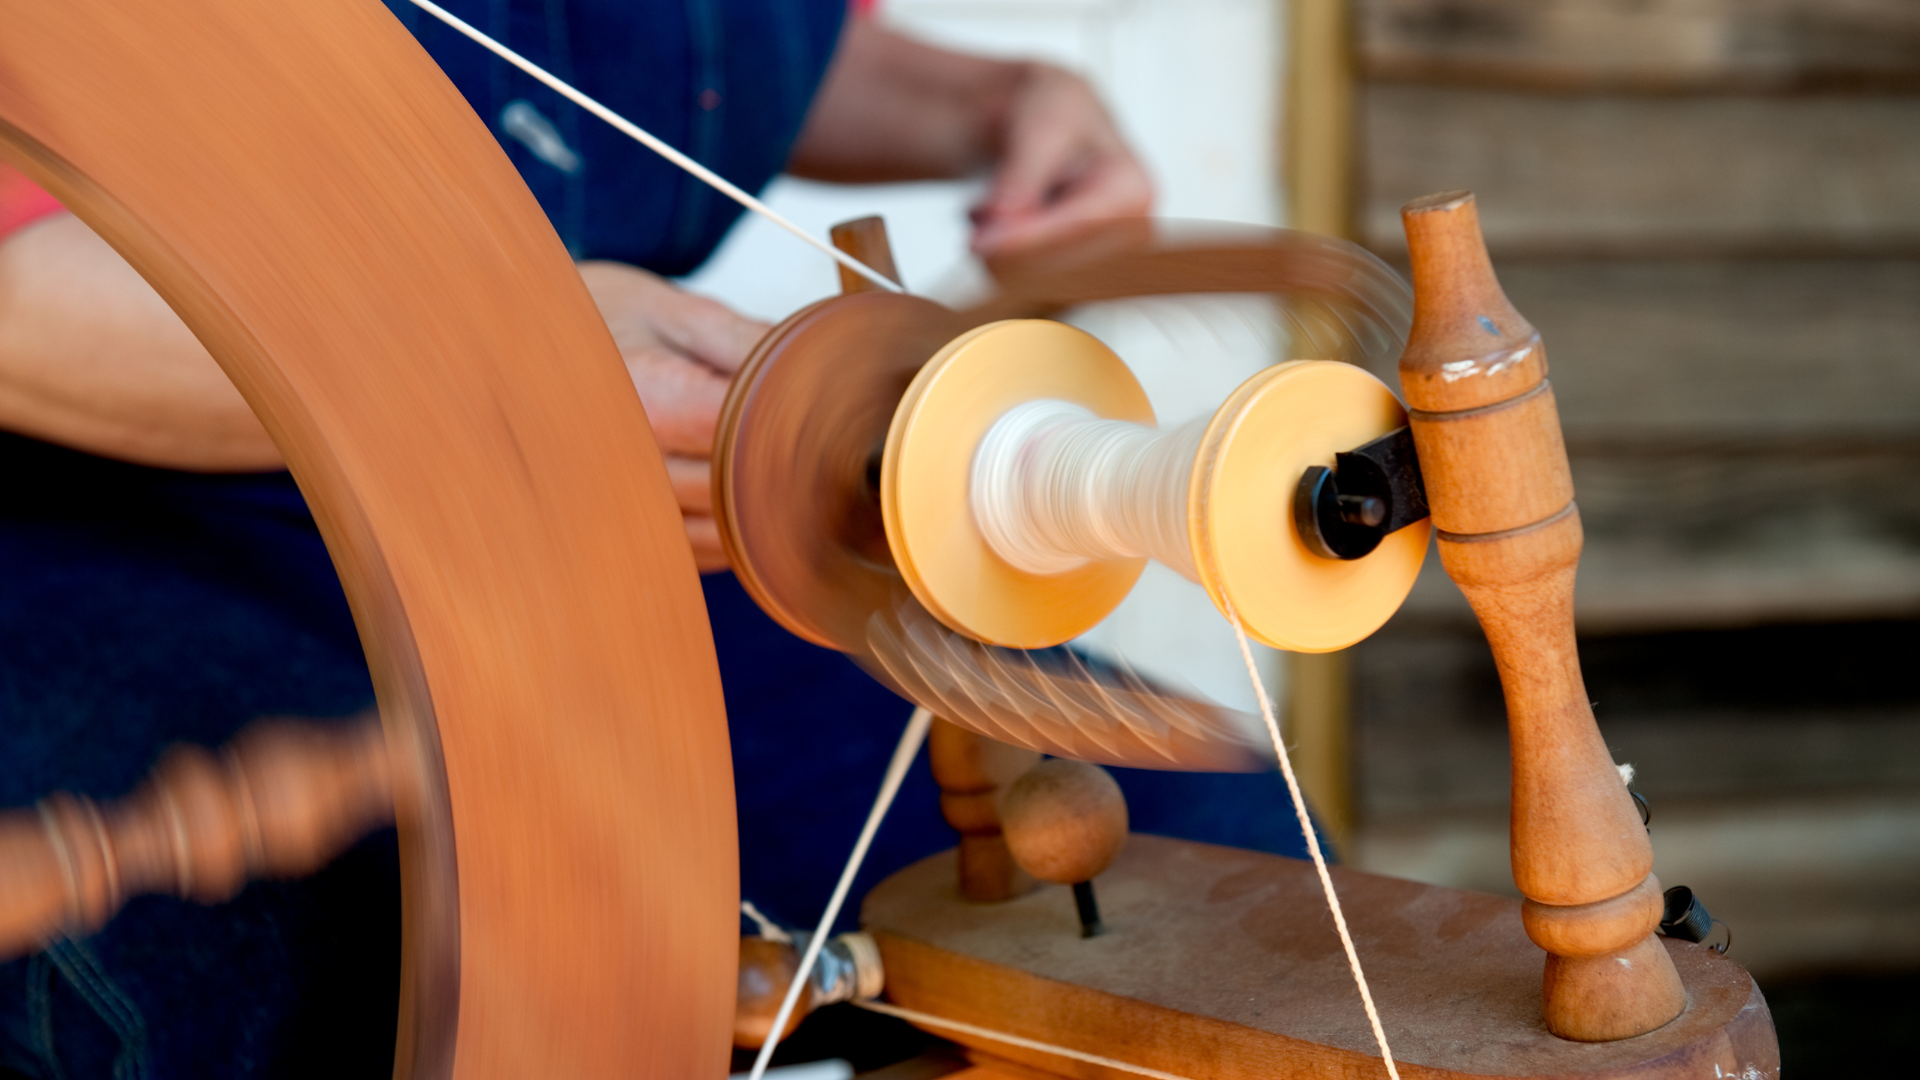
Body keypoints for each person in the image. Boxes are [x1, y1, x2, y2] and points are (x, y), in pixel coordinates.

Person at [0, 4, 1307, 1076]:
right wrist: (477, 355)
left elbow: (742, 44)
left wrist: (994, 101)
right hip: (103, 517)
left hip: (580, 529)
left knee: (1210, 888)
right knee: (351, 959)